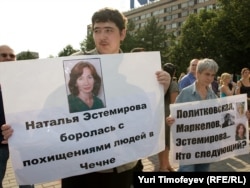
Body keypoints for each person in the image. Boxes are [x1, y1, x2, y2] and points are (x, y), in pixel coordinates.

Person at [2, 7, 171, 188]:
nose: (102, 36)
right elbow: (49, 111)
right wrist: (21, 131)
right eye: (97, 31)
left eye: (108, 30)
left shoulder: (138, 70)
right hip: (80, 169)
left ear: (122, 34)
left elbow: (147, 119)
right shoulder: (75, 63)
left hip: (121, 167)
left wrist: (163, 89)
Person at [167, 58, 219, 172]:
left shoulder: (212, 95)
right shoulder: (186, 92)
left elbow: (221, 114)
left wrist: (242, 114)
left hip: (206, 143)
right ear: (198, 73)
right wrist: (171, 119)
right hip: (188, 144)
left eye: (212, 75)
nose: (210, 78)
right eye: (207, 74)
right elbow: (175, 111)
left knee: (203, 170)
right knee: (186, 170)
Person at [0, 45, 34, 188]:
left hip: (22, 141)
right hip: (0, 144)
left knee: (27, 182)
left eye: (11, 55)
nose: (8, 58)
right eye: (3, 55)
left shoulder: (24, 83)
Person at [157, 63, 179, 172]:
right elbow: (174, 103)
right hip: (168, 116)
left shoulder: (158, 82)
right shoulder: (173, 84)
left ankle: (167, 165)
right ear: (174, 72)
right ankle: (163, 167)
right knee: (166, 143)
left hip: (159, 114)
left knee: (162, 142)